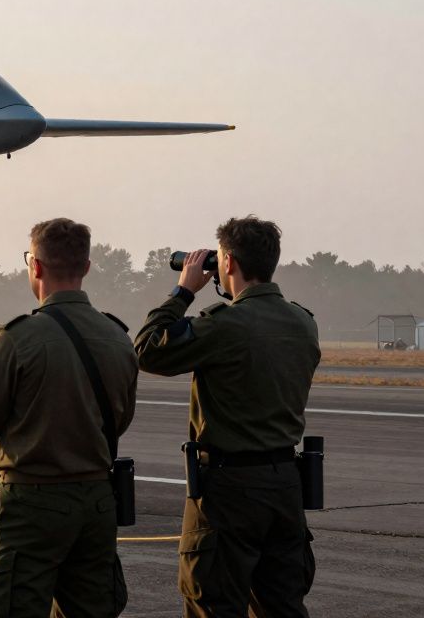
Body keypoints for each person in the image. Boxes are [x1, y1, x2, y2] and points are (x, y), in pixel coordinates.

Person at [134, 216, 320, 617]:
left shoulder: (227, 325)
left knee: (213, 603)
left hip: (229, 489)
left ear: (229, 263)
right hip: (285, 484)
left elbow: (147, 350)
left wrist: (183, 290)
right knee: (283, 605)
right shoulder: (303, 322)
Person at [0, 218, 137, 618]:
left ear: (35, 266)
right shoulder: (117, 337)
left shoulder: (19, 338)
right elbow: (119, 420)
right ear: (86, 267)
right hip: (96, 500)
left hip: (33, 502)